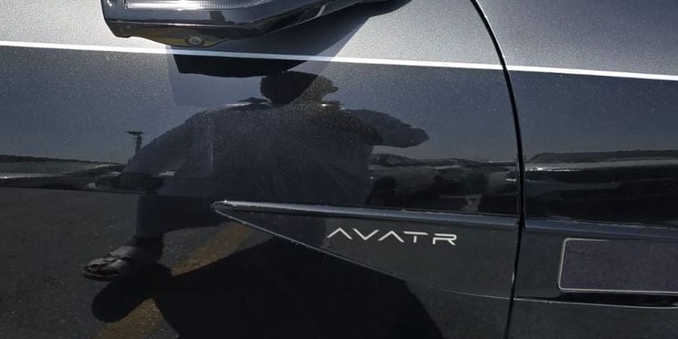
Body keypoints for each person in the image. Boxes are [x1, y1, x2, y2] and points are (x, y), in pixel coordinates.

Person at [83, 72, 427, 280]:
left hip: (306, 205)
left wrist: (351, 125)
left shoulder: (358, 116)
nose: (278, 85)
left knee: (301, 262)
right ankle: (144, 246)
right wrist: (137, 171)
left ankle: (304, 252)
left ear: (322, 89)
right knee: (155, 204)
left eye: (297, 82)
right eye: (273, 80)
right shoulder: (222, 115)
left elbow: (412, 136)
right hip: (212, 197)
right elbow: (167, 147)